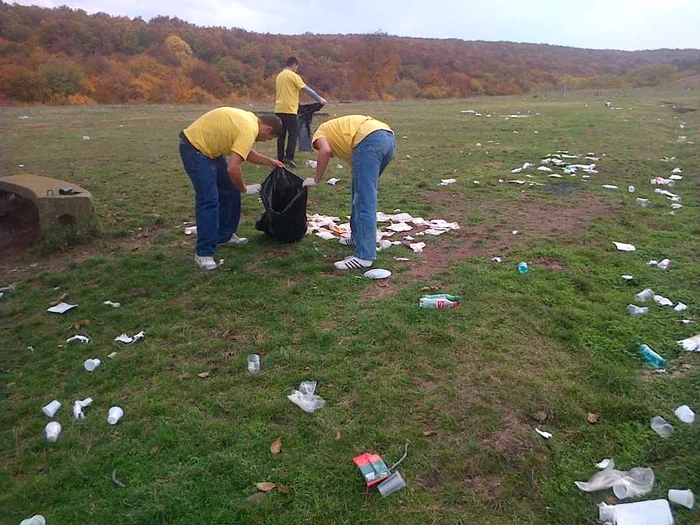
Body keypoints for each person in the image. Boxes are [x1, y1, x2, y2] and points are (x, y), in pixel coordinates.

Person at [179, 107, 284, 270]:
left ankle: (225, 235)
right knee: (209, 201)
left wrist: (269, 161)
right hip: (195, 150)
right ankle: (204, 254)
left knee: (230, 191)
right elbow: (233, 168)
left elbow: (244, 152)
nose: (264, 141)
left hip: (211, 152)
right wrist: (243, 188)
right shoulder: (249, 130)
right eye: (268, 139)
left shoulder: (250, 120)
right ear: (268, 129)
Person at [304, 115, 396, 270]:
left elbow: (325, 151)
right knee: (359, 194)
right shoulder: (341, 137)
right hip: (388, 138)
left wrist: (316, 179)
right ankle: (357, 238)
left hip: (369, 140)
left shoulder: (320, 134)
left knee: (364, 200)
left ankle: (364, 256)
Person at [275, 57, 326, 168]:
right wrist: (319, 99)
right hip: (290, 109)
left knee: (281, 135)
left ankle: (280, 158)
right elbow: (306, 89)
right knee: (293, 133)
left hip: (279, 109)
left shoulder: (279, 76)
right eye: (296, 67)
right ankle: (289, 157)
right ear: (294, 65)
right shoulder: (293, 76)